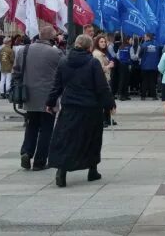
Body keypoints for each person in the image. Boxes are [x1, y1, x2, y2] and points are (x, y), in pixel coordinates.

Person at [47, 34, 117, 187]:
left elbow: (57, 85)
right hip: (90, 107)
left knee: (66, 139)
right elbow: (101, 86)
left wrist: (50, 102)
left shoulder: (64, 61)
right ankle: (92, 171)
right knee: (92, 138)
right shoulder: (92, 63)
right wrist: (110, 103)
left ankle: (62, 170)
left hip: (70, 106)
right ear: (89, 47)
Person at [14, 26, 62, 171]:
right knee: (46, 129)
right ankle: (40, 161)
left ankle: (27, 152)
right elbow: (63, 70)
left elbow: (16, 71)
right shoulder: (55, 52)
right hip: (49, 97)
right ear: (52, 38)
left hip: (29, 95)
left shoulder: (24, 50)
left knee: (31, 125)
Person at [138, 33, 161, 100]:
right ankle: (153, 96)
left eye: (145, 37)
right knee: (153, 81)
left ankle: (143, 96)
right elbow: (159, 54)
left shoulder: (143, 45)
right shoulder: (157, 45)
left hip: (145, 66)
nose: (144, 38)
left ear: (148, 37)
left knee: (144, 81)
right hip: (154, 66)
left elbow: (140, 55)